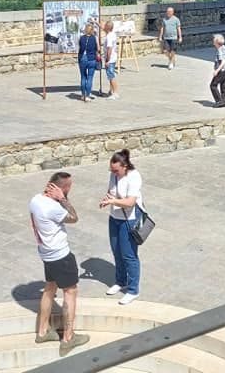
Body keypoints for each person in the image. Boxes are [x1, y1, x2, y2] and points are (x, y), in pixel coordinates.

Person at [29, 171, 90, 354]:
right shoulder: (53, 208)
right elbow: (74, 218)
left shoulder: (35, 200)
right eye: (68, 187)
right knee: (70, 293)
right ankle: (68, 338)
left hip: (46, 254)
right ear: (61, 189)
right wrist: (64, 200)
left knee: (50, 288)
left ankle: (42, 331)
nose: (70, 189)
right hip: (60, 256)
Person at [99, 149, 143, 305]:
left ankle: (133, 290)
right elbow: (111, 192)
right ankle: (120, 281)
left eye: (116, 170)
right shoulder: (114, 175)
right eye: (111, 170)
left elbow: (130, 202)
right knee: (116, 251)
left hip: (129, 220)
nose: (113, 173)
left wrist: (112, 202)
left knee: (129, 255)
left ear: (125, 166)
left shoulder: (134, 176)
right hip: (115, 217)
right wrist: (107, 199)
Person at [77, 23, 99, 102]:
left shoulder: (81, 38)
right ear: (92, 30)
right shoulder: (94, 38)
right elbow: (98, 49)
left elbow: (80, 46)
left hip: (82, 58)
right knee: (90, 77)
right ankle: (88, 96)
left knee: (83, 77)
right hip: (92, 58)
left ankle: (83, 95)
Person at [210, 34, 225, 108]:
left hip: (222, 70)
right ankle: (224, 101)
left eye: (214, 40)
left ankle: (219, 101)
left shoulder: (220, 50)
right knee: (223, 86)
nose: (213, 42)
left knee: (213, 85)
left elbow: (223, 62)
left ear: (216, 42)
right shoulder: (224, 47)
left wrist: (217, 71)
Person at [103, 20, 120, 100]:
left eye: (105, 25)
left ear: (107, 27)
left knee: (111, 75)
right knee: (110, 75)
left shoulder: (109, 36)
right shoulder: (112, 33)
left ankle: (115, 92)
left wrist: (107, 60)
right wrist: (96, 23)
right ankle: (111, 91)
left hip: (110, 58)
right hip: (113, 57)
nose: (104, 27)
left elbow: (109, 48)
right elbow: (103, 28)